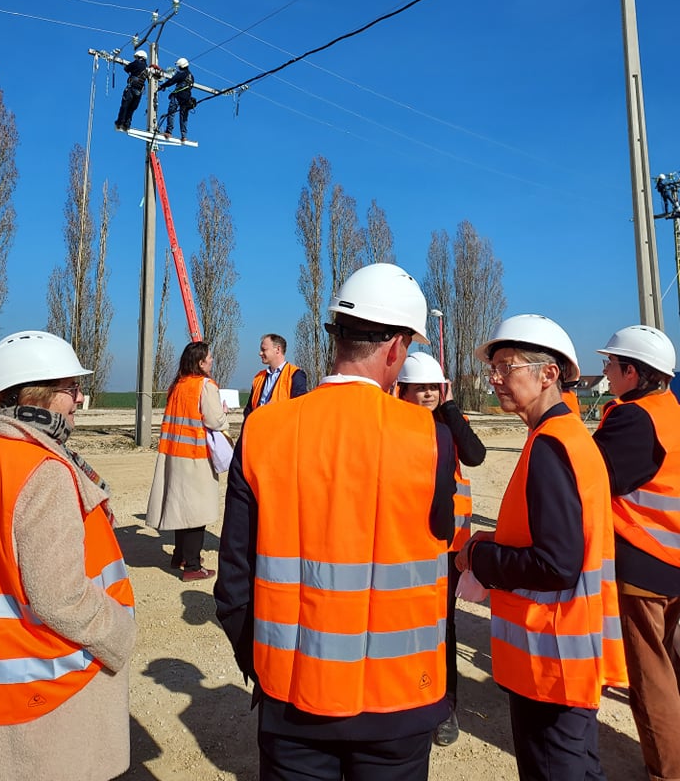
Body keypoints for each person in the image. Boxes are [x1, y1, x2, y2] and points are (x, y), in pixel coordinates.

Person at [215, 262, 457, 781]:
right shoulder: (430, 437)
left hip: (291, 695)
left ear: (336, 338)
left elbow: (233, 579)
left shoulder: (263, 430)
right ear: (395, 349)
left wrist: (262, 663)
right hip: (399, 701)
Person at [0, 330, 136, 781]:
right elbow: (60, 598)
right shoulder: (45, 473)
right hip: (47, 693)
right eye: (71, 389)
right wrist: (118, 632)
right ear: (40, 394)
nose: (79, 399)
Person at [458, 314, 626, 781]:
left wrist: (480, 557)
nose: (494, 377)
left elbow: (556, 564)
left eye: (507, 366)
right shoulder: (561, 436)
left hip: (550, 661)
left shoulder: (552, 446)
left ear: (548, 374)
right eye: (494, 367)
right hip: (560, 654)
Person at [593, 324, 680, 781]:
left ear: (634, 372)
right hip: (671, 558)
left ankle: (667, 773)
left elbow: (593, 478)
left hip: (645, 563)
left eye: (612, 363)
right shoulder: (670, 409)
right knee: (670, 665)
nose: (605, 370)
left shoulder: (635, 418)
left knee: (651, 682)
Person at [397, 350, 486, 747]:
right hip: (403, 545)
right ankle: (406, 697)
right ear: (404, 390)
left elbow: (475, 455)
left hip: (447, 547)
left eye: (435, 386)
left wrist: (449, 405)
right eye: (422, 387)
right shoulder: (392, 423)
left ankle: (445, 706)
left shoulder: (451, 422)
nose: (429, 393)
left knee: (442, 627)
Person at [146, 340, 229, 582]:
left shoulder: (178, 385)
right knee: (196, 513)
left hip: (173, 454)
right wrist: (225, 416)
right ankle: (192, 566)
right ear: (201, 362)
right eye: (209, 357)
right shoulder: (205, 386)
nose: (212, 361)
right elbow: (214, 420)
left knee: (181, 507)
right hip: (195, 456)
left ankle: (180, 556)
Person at [243, 333, 307, 418]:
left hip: (281, 429)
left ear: (277, 349)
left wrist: (278, 409)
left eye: (264, 349)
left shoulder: (295, 375)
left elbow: (300, 409)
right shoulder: (258, 377)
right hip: (258, 428)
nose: (260, 353)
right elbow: (249, 409)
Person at [158, 56, 194, 141]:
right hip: (187, 98)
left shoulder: (181, 74)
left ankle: (169, 132)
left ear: (181, 66)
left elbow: (171, 81)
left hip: (178, 96)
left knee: (171, 112)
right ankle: (184, 136)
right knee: (184, 116)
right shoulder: (191, 76)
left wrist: (162, 86)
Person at [115, 48, 148, 131]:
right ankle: (127, 124)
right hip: (139, 91)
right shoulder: (146, 68)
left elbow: (127, 68)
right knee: (132, 109)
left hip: (132, 87)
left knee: (125, 106)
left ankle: (120, 122)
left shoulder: (136, 63)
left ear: (139, 57)